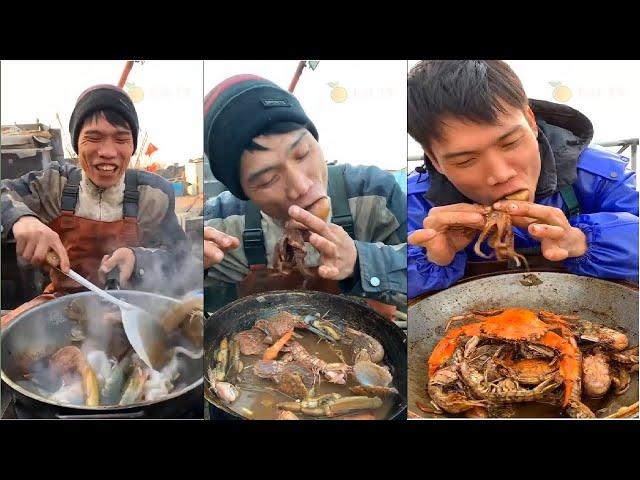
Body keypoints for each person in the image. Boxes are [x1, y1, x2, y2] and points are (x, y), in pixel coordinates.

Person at [406, 60, 638, 298]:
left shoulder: (601, 176)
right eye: (465, 161)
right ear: (434, 160)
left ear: (530, 121)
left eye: (510, 143)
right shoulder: (414, 204)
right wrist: (433, 260)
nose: (500, 174)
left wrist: (582, 241)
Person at [203, 74, 406, 309]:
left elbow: (427, 275)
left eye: (302, 153)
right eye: (268, 179)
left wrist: (360, 261)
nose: (301, 186)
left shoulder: (374, 194)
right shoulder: (220, 225)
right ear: (243, 191)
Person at [1, 84, 191, 326]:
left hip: (133, 308)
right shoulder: (53, 185)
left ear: (132, 145)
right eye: (94, 138)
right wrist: (20, 219)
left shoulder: (154, 195)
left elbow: (182, 260)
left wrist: (138, 260)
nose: (108, 152)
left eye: (121, 138)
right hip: (63, 307)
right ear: (76, 143)